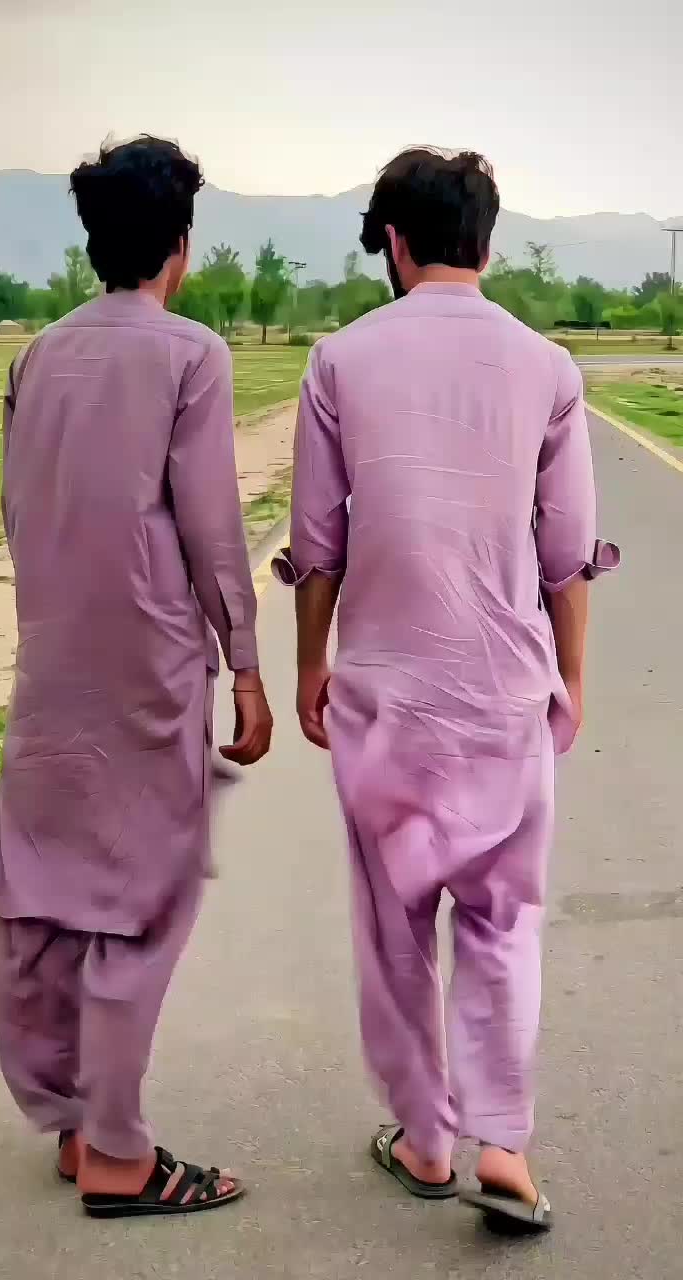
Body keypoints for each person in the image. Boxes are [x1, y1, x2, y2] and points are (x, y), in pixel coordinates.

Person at [274, 147, 618, 1233]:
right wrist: (569, 679)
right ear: (489, 242)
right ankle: (503, 1145)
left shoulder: (339, 360)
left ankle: (425, 1139)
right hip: (504, 693)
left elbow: (317, 541)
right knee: (502, 921)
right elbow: (566, 554)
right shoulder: (548, 368)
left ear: (393, 241)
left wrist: (311, 665)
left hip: (386, 695)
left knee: (394, 927)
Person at [0, 136, 273, 1220]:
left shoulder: (35, 356)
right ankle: (115, 1150)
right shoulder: (193, 355)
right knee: (141, 894)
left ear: (93, 240)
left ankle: (68, 1119)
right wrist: (246, 666)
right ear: (180, 246)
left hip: (52, 653)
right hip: (149, 661)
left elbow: (16, 509)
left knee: (42, 887)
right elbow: (213, 530)